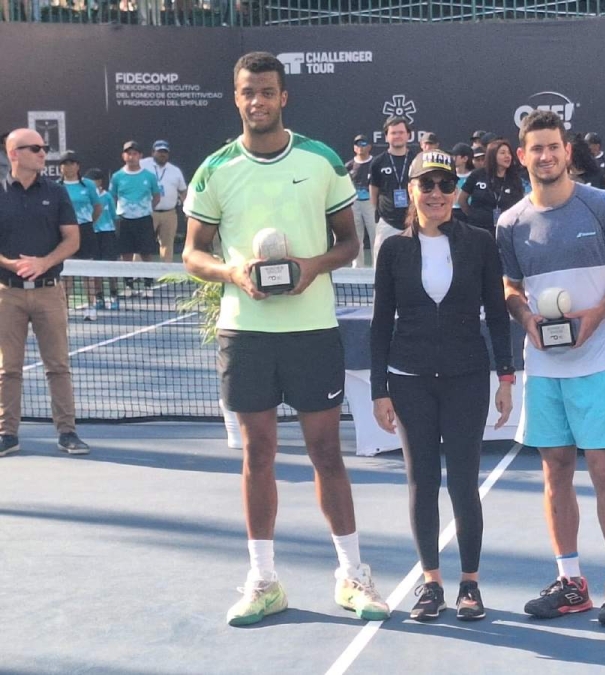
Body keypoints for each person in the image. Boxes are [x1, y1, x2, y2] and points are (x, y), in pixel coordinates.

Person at [182, 51, 390, 627]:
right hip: (245, 334)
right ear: (236, 96)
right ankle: (264, 580)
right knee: (259, 455)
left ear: (283, 97)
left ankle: (352, 573)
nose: (258, 101)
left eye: (268, 91)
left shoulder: (322, 160)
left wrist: (310, 267)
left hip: (312, 331)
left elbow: (349, 243)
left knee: (327, 453)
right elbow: (192, 254)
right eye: (248, 91)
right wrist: (232, 272)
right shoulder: (214, 169)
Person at [497, 110, 605, 627]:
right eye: (535, 148)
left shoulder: (600, 205)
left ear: (567, 150)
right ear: (523, 156)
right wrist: (527, 320)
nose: (546, 156)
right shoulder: (510, 223)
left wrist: (597, 314)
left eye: (553, 146)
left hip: (600, 361)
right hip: (544, 367)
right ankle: (571, 581)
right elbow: (511, 290)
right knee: (555, 469)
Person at [370, 150, 514, 622]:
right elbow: (379, 323)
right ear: (411, 190)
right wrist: (379, 388)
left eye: (444, 184)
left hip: (467, 378)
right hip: (408, 381)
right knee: (422, 481)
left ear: (456, 191)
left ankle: (469, 584)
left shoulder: (480, 244)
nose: (436, 193)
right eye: (426, 185)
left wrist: (506, 376)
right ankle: (430, 582)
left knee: (464, 484)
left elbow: (496, 312)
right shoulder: (392, 249)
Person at [0, 128, 91, 457]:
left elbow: (72, 239)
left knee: (58, 365)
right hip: (7, 294)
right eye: (35, 148)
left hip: (49, 292)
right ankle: (7, 434)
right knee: (8, 368)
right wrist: (12, 265)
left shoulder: (56, 193)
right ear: (14, 154)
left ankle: (67, 432)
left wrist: (43, 262)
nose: (43, 153)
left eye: (44, 147)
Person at [110, 141, 160, 296]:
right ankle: (128, 286)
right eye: (128, 153)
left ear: (140, 156)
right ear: (123, 156)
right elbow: (112, 197)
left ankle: (148, 286)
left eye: (135, 154)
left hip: (144, 220)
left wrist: (145, 209)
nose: (131, 157)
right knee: (126, 254)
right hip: (124, 220)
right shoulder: (117, 177)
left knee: (147, 253)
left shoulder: (149, 176)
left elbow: (156, 196)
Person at [58, 150, 102, 320]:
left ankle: (91, 307)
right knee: (66, 273)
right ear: (61, 167)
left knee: (87, 271)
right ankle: (64, 308)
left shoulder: (89, 185)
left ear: (77, 166)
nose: (68, 167)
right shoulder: (56, 186)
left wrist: (88, 223)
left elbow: (97, 207)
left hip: (85, 230)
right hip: (63, 233)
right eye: (65, 164)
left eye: (71, 163)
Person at [369, 115, 415, 264]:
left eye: (401, 132)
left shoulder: (417, 161)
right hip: (387, 223)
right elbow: (374, 193)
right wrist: (382, 213)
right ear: (386, 136)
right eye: (393, 133)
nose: (397, 136)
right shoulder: (378, 162)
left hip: (414, 223)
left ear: (408, 135)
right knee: (382, 265)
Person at [458, 138, 525, 236]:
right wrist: (474, 216)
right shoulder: (477, 175)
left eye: (509, 153)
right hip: (477, 230)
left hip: (504, 232)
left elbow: (520, 207)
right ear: (493, 155)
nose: (507, 156)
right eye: (502, 153)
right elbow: (462, 200)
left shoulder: (514, 179)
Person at [140, 140, 188, 263]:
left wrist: (187, 210)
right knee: (142, 244)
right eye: (160, 151)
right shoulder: (142, 165)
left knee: (167, 245)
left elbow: (183, 191)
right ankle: (137, 274)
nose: (163, 154)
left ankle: (166, 273)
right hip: (148, 212)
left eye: (165, 152)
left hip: (169, 213)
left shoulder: (175, 170)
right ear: (153, 152)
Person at [84, 168, 120, 310]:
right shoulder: (86, 196)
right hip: (92, 234)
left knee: (111, 267)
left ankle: (114, 296)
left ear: (99, 182)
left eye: (93, 180)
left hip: (108, 234)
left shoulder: (107, 197)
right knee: (95, 268)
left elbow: (114, 216)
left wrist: (114, 234)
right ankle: (99, 298)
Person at [345, 134, 375, 268]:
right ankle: (358, 267)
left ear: (369, 147)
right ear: (354, 148)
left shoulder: (375, 163)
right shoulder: (349, 166)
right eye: (358, 144)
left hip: (371, 203)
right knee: (357, 237)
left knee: (375, 235)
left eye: (363, 144)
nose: (360, 147)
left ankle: (377, 265)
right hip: (354, 205)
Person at [450, 142, 474, 221]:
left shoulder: (474, 176)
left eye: (455, 156)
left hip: (467, 214)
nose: (452, 158)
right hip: (451, 212)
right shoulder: (448, 175)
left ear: (465, 159)